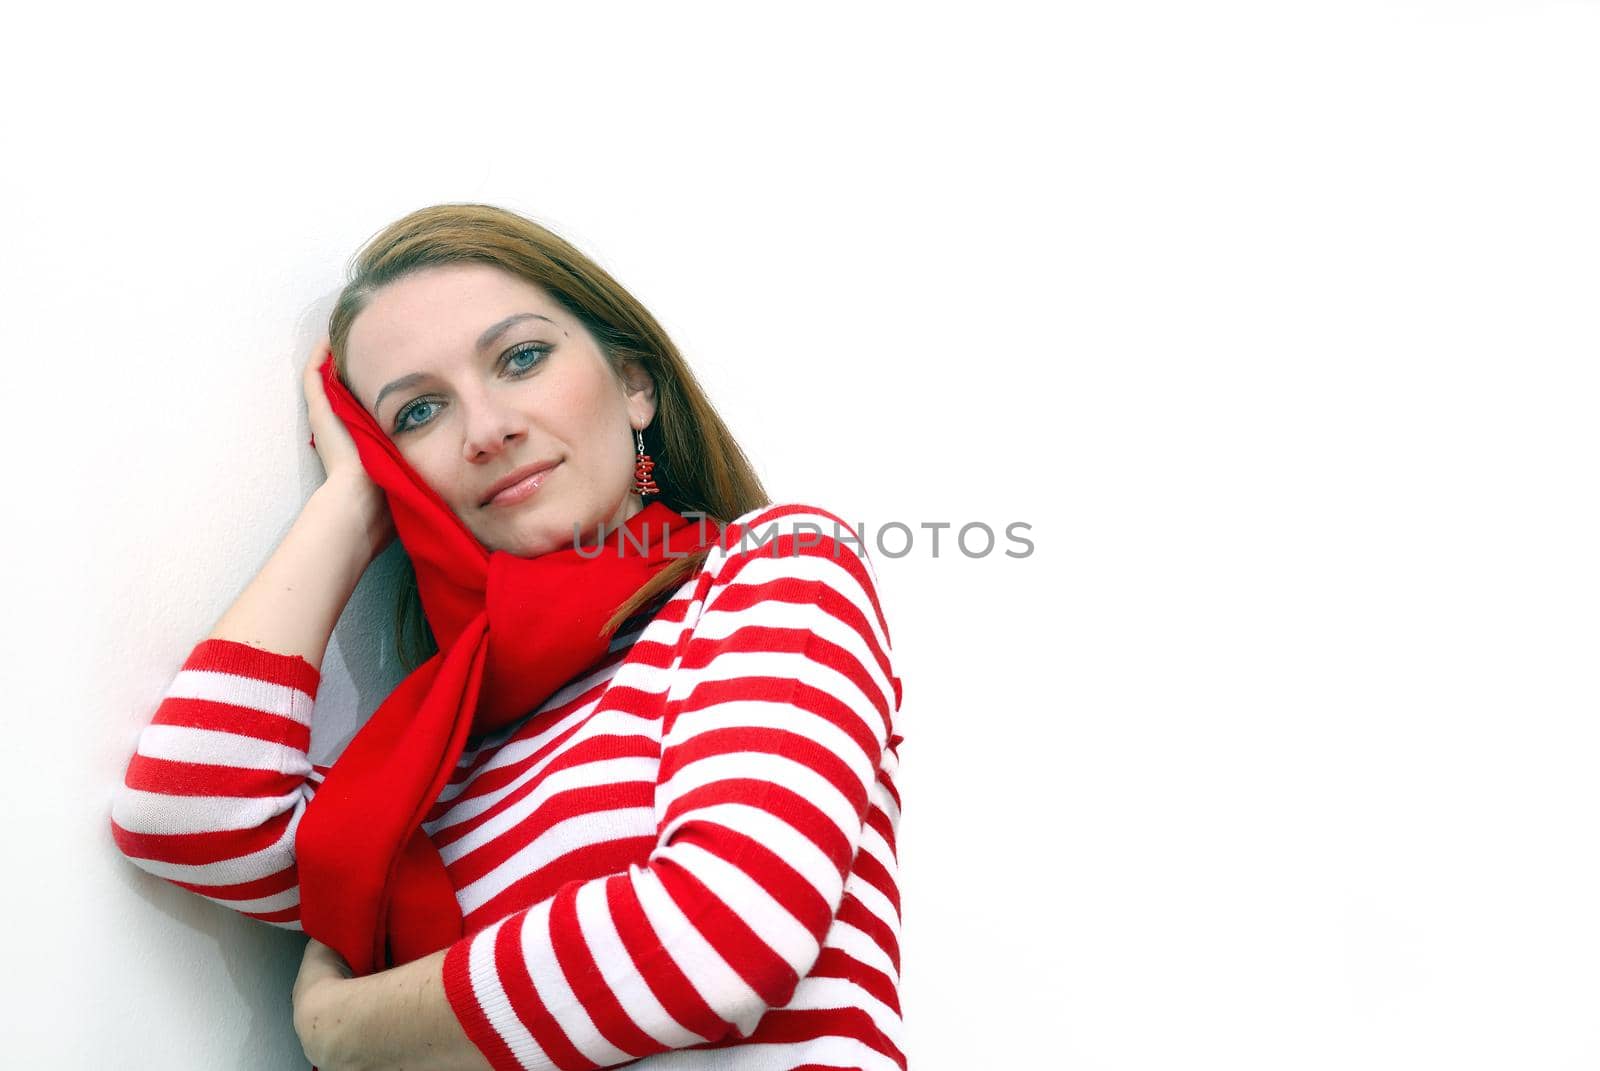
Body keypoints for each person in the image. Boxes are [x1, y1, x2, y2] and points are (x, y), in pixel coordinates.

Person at [108, 203, 906, 1071]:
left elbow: (717, 936)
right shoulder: (429, 762)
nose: (486, 430)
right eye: (417, 414)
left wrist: (349, 1031)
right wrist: (348, 505)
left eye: (521, 358)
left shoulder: (769, 572)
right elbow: (189, 813)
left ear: (635, 382)